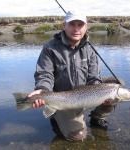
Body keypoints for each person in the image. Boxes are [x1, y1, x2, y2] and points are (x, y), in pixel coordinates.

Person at [28, 10, 120, 141]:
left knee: (116, 85)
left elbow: (94, 78)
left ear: (86, 27)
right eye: (72, 24)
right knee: (78, 137)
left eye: (80, 25)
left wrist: (101, 96)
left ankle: (98, 117)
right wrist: (42, 90)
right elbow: (45, 74)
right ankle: (56, 115)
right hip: (62, 97)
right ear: (64, 25)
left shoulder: (90, 49)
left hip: (84, 92)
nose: (76, 29)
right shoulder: (50, 48)